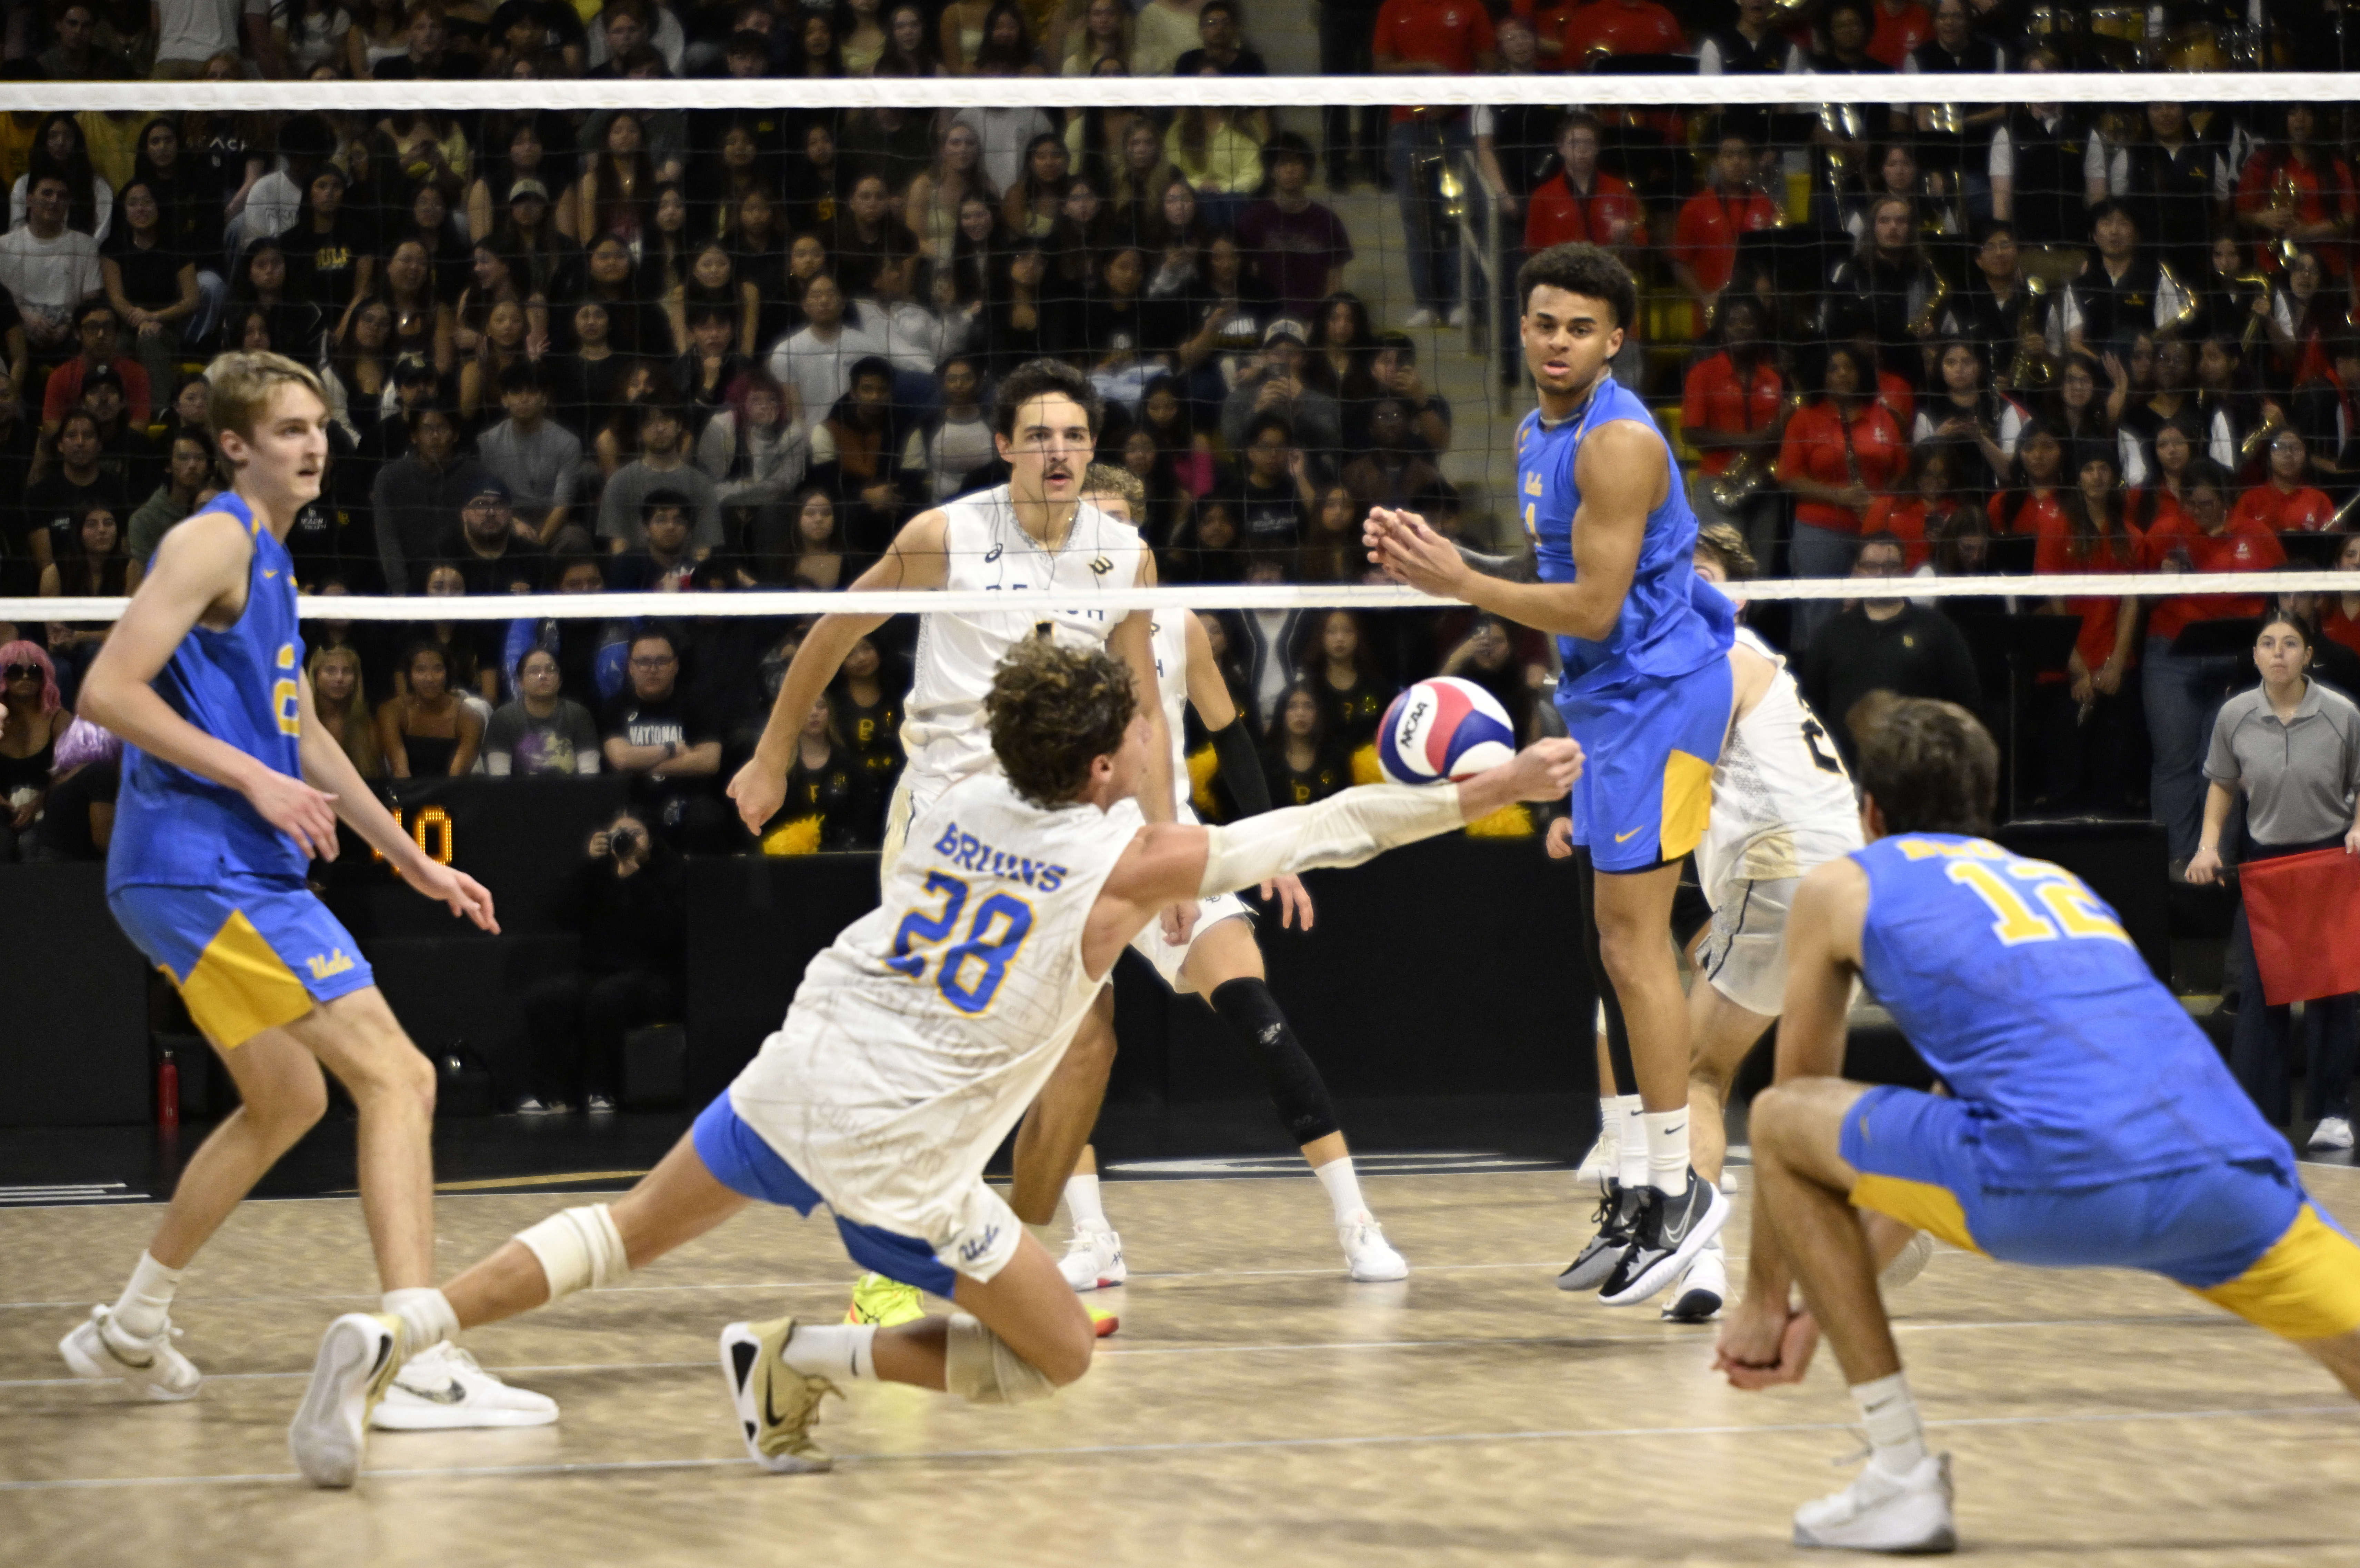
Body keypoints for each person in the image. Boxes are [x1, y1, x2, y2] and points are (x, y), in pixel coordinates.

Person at [294, 637, 1582, 1485]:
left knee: (625, 1229)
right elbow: (1342, 821)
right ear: (1097, 763)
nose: (1151, 737)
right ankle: (801, 1356)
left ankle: (403, 1323)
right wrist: (1497, 785)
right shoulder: (1127, 865)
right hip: (905, 1152)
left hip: (807, 1061)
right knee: (1058, 1354)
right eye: (1138, 727)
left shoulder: (961, 791)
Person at [1712, 694, 2360, 1553]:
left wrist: (1768, 1307)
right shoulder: (2059, 886)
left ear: (1867, 810)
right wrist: (1821, 1308)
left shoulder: (1845, 880)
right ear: (1985, 803)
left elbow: (1796, 1117)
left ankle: (1900, 1473)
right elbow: (1959, 1101)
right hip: (2224, 1172)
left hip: (2051, 1178)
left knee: (1780, 1111)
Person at [65, 352, 544, 1477]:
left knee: (288, 1096)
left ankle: (133, 1323)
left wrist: (405, 857)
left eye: (319, 424)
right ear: (236, 444)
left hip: (209, 868)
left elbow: (307, 739)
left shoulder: (272, 556)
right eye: (287, 427)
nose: (313, 442)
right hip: (203, 865)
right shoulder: (213, 536)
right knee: (402, 1076)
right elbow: (106, 690)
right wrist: (249, 780)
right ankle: (417, 1354)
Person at [725, 358, 1182, 1329]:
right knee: (939, 1044)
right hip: (950, 812)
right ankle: (898, 1256)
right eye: (1039, 436)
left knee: (1084, 1041)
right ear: (1006, 445)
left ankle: (1001, 1255)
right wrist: (770, 758)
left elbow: (1142, 701)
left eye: (1074, 436)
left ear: (1091, 449)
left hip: (1066, 821)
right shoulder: (945, 535)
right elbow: (833, 630)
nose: (1057, 451)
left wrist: (1166, 834)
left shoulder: (1124, 554)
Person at [1366, 242, 1737, 1307]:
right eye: (1542, 323)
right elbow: (1564, 581)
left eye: (1579, 326)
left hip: (1663, 701)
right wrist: (1459, 572)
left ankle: (1679, 1193)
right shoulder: (1538, 430)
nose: (1557, 341)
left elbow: (1594, 608)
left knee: (1636, 942)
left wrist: (1460, 578)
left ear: (1614, 338)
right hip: (1607, 704)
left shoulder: (1618, 443)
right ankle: (1636, 1187)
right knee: (1602, 943)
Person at [1047, 465, 1406, 1293]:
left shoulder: (1177, 626)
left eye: (1114, 526)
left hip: (1169, 842)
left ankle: (1356, 1224)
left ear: (1137, 537)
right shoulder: (1040, 630)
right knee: (1063, 1052)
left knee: (1255, 1011)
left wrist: (1269, 853)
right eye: (1084, 527)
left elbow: (1231, 738)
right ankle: (1093, 1237)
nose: (1100, 543)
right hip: (1077, 857)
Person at [2187, 613, 2360, 1148]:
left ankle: (2334, 1112)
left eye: (2290, 644)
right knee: (2263, 992)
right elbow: (2222, 784)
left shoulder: (2342, 714)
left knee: (2337, 990)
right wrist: (2207, 845)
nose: (2278, 653)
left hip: (2332, 861)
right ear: (2257, 655)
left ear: (2309, 654)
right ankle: (2260, 1117)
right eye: (2268, 644)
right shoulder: (2234, 715)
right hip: (2266, 864)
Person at [517, 808, 684, 1116]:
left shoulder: (667, 873)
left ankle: (601, 1090)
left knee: (607, 998)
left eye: (634, 835)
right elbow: (563, 915)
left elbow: (667, 932)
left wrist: (635, 878)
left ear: (650, 841)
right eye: (618, 835)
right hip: (597, 972)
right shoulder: (598, 875)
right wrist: (586, 865)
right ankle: (552, 1095)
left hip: (652, 975)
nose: (625, 841)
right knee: (545, 999)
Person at [484, 647, 600, 776]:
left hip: (570, 794)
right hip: (518, 795)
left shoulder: (579, 715)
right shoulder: (503, 718)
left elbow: (590, 776)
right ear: (520, 682)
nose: (543, 676)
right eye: (534, 671)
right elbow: (499, 778)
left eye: (551, 670)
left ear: (560, 680)